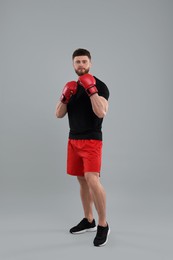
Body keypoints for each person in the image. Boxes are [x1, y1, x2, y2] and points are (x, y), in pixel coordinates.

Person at [55, 48, 110, 247]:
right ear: (73, 64)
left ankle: (103, 225)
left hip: (92, 140)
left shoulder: (100, 86)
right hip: (73, 139)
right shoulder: (71, 86)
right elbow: (58, 114)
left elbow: (101, 111)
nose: (81, 65)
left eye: (84, 61)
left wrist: (92, 91)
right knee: (82, 180)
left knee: (92, 179)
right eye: (77, 62)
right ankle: (89, 220)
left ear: (90, 63)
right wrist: (64, 97)